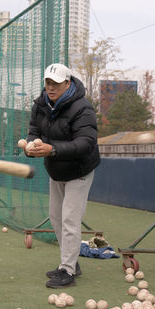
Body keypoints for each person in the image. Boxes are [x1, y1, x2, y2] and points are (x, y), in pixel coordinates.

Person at [25, 63, 100, 289]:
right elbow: (34, 131)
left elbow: (86, 143)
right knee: (55, 217)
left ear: (67, 84)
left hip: (79, 170)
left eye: (56, 83)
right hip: (56, 170)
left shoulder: (82, 108)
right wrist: (31, 147)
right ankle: (72, 261)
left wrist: (52, 149)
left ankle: (67, 270)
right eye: (48, 83)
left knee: (69, 219)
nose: (51, 87)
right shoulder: (40, 105)